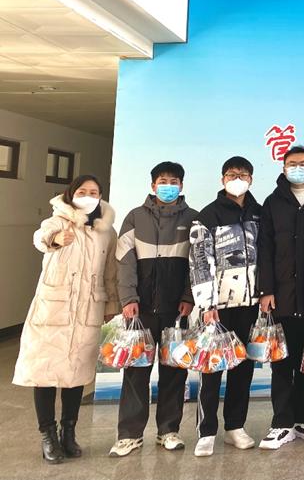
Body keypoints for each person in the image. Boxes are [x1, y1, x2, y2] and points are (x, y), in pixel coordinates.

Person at [13, 175, 120, 464]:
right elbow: (40, 238)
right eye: (82, 191)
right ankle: (47, 435)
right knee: (45, 373)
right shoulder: (57, 221)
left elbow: (110, 272)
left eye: (94, 192)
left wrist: (111, 304)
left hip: (89, 309)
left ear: (100, 197)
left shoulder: (107, 232)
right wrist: (55, 240)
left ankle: (68, 432)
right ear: (70, 194)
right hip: (54, 309)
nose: (88, 196)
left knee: (76, 374)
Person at [111, 162, 198, 457]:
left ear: (181, 186)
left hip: (177, 310)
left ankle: (168, 431)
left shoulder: (194, 218)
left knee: (174, 371)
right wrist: (128, 299)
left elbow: (197, 263)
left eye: (174, 181)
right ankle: (130, 435)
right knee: (136, 371)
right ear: (153, 185)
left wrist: (188, 296)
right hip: (141, 309)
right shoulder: (135, 217)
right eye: (163, 181)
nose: (168, 186)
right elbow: (124, 261)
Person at [256, 145, 304, 449]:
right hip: (282, 298)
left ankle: (302, 419)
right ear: (284, 167)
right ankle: (281, 423)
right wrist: (266, 290)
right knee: (281, 364)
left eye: (303, 163)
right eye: (292, 163)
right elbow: (265, 249)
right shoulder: (273, 202)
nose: (298, 168)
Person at [189, 156, 262, 457]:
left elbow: (268, 256)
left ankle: (235, 426)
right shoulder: (208, 215)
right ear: (222, 179)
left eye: (243, 175)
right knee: (212, 368)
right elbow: (199, 262)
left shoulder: (259, 213)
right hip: (217, 307)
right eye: (232, 174)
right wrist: (207, 304)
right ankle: (206, 431)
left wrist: (265, 295)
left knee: (243, 368)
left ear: (251, 179)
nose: (237, 179)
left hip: (250, 304)